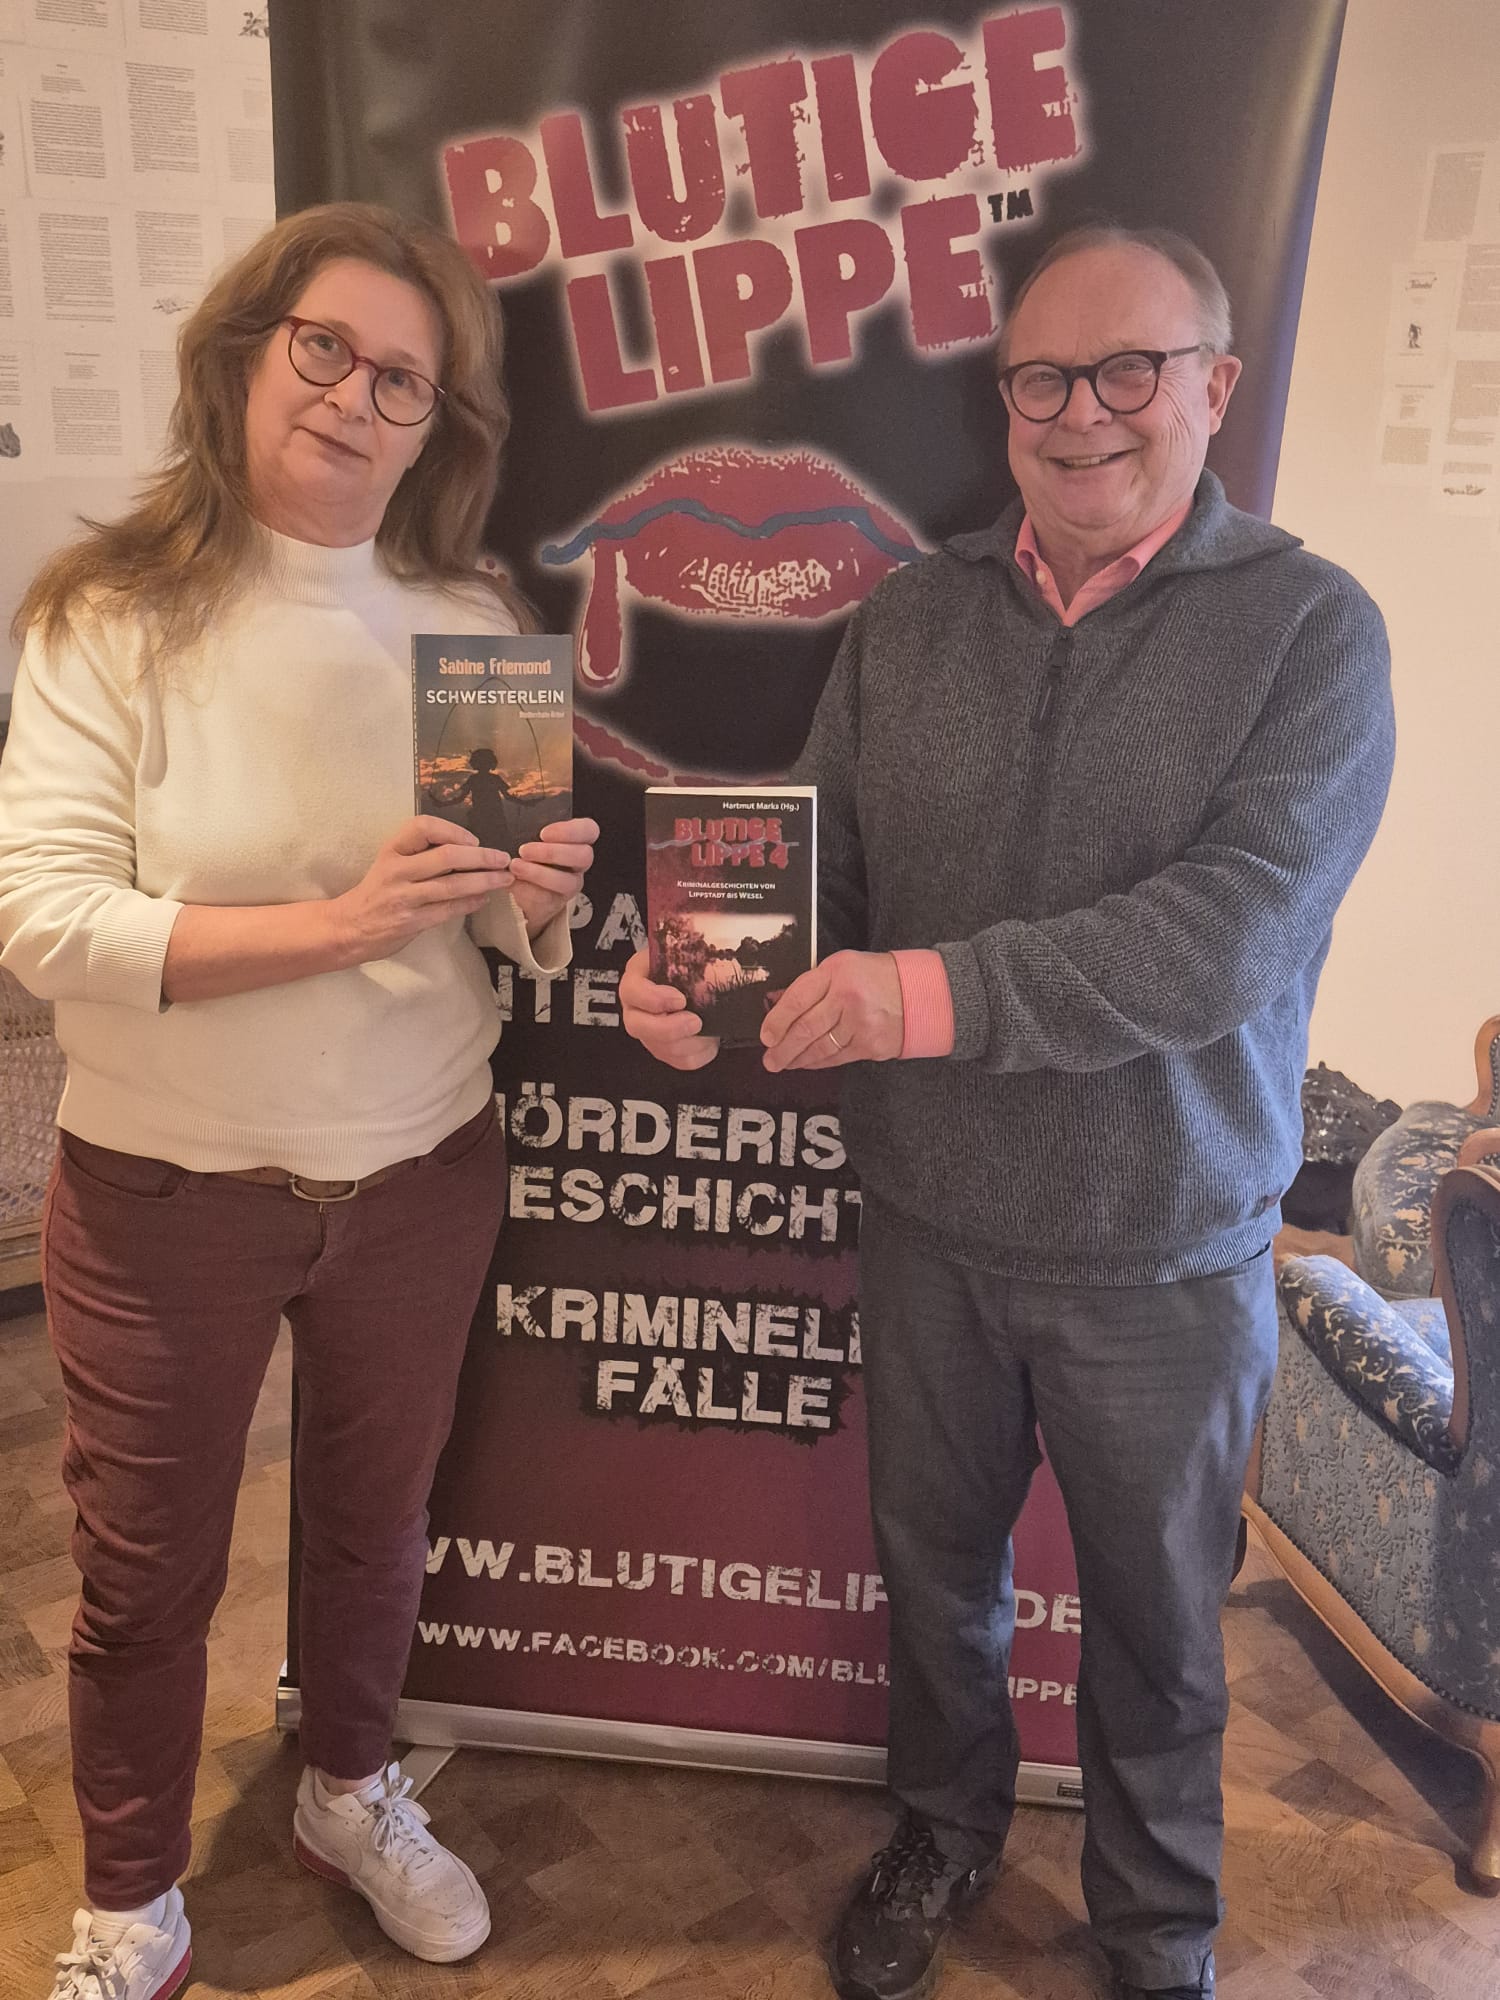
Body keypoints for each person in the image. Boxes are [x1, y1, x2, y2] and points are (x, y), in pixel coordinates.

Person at [620, 224, 1394, 2000]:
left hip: (1166, 1249)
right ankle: (943, 1828)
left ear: (1215, 386)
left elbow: (1225, 937)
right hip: (933, 1226)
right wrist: (704, 979)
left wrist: (923, 997)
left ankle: (1157, 1930)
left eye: (1131, 371)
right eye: (1043, 377)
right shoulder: (913, 614)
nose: (1082, 413)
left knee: (1158, 1630)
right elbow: (825, 868)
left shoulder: (1311, 630)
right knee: (937, 1582)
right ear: (1005, 399)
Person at [0, 202, 598, 1998]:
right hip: (162, 1195)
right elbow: (45, 921)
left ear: (436, 428)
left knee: (374, 1524)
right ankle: (131, 1898)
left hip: (420, 1173)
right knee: (142, 1574)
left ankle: (348, 1791)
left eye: (402, 379)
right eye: (323, 348)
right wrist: (343, 922)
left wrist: (535, 900)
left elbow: (497, 934)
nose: (353, 396)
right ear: (243, 356)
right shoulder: (111, 613)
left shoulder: (467, 621)